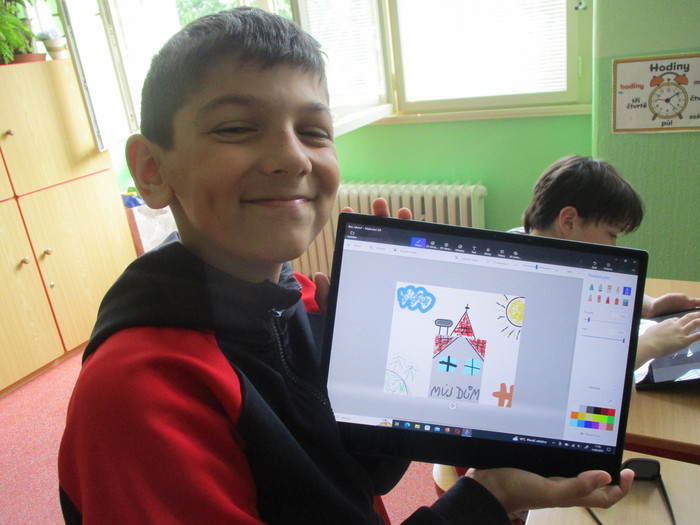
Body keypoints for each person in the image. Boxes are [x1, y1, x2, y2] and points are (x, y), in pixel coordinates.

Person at [58, 9, 633, 524]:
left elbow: (360, 476)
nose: (291, 157)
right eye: (236, 127)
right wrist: (488, 499)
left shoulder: (305, 303)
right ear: (152, 170)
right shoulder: (136, 394)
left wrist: (383, 370)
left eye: (313, 131)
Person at [521, 154, 700, 366]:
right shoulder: (531, 291)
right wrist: (649, 345)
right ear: (569, 221)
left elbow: (594, 287)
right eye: (612, 234)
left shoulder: (532, 246)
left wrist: (648, 305)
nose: (613, 245)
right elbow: (568, 370)